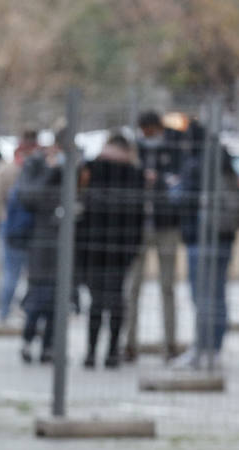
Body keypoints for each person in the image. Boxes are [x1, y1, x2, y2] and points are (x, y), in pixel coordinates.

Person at [174, 124, 239, 371]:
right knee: (217, 294)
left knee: (203, 296)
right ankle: (213, 347)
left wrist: (172, 188)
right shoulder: (222, 160)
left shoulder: (196, 164)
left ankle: (204, 347)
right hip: (224, 236)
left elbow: (183, 197)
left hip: (201, 238)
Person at [76, 135, 145, 368]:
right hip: (120, 247)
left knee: (97, 302)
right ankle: (111, 351)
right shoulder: (134, 174)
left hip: (93, 246)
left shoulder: (92, 168)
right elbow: (139, 217)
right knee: (115, 301)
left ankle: (92, 352)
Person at [124, 111, 186, 362]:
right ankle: (129, 344)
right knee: (132, 288)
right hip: (139, 227)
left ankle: (170, 344)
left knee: (167, 286)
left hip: (166, 226)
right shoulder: (134, 150)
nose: (146, 135)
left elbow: (178, 184)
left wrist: (158, 180)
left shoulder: (175, 149)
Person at [16, 129, 73, 364]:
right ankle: (28, 340)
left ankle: (50, 345)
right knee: (38, 297)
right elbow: (29, 197)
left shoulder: (73, 167)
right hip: (41, 240)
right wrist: (50, 172)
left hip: (65, 242)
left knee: (60, 300)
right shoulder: (37, 165)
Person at [0, 130, 37, 322]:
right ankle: (23, 310)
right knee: (31, 275)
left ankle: (4, 312)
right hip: (33, 229)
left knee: (10, 273)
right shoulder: (40, 167)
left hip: (10, 226)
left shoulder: (6, 169)